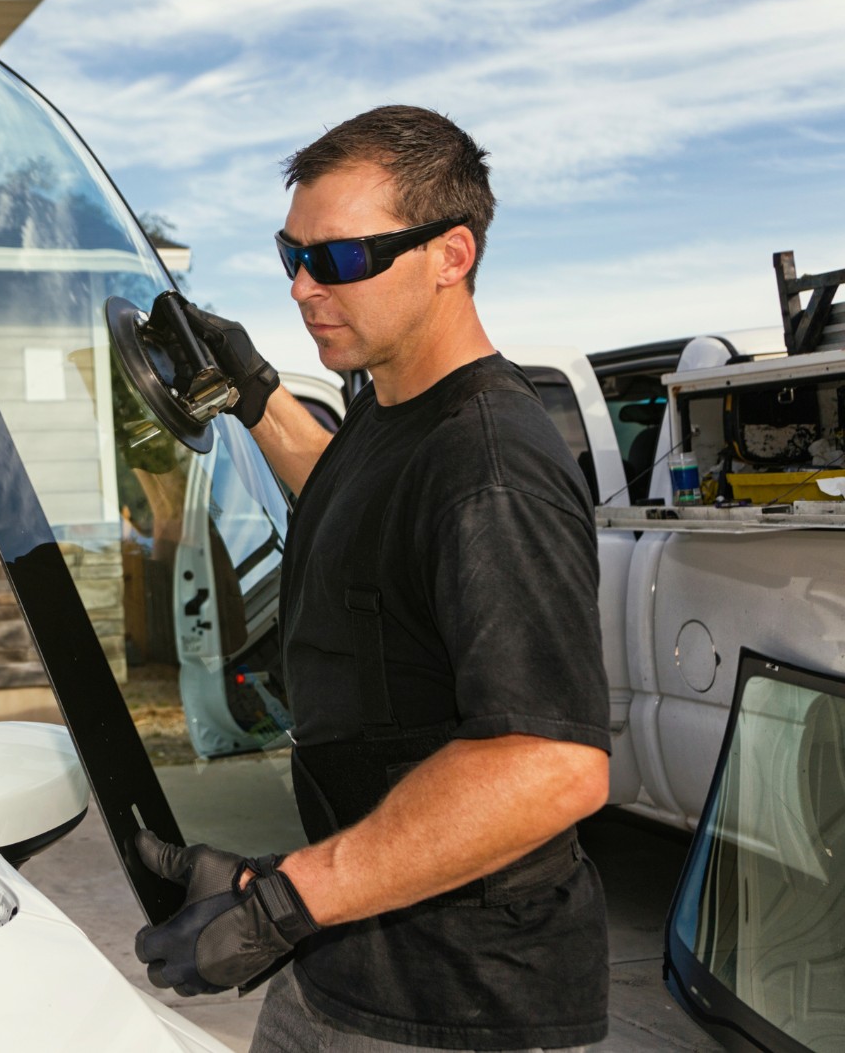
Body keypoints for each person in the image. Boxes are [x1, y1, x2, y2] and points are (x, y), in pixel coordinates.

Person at [132, 106, 612, 1051]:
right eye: (292, 255)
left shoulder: (491, 468)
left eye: (342, 259)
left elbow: (550, 766)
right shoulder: (398, 415)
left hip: (460, 1004)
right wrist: (253, 391)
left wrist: (282, 900)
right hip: (349, 955)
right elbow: (357, 496)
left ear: (451, 253)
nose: (307, 286)